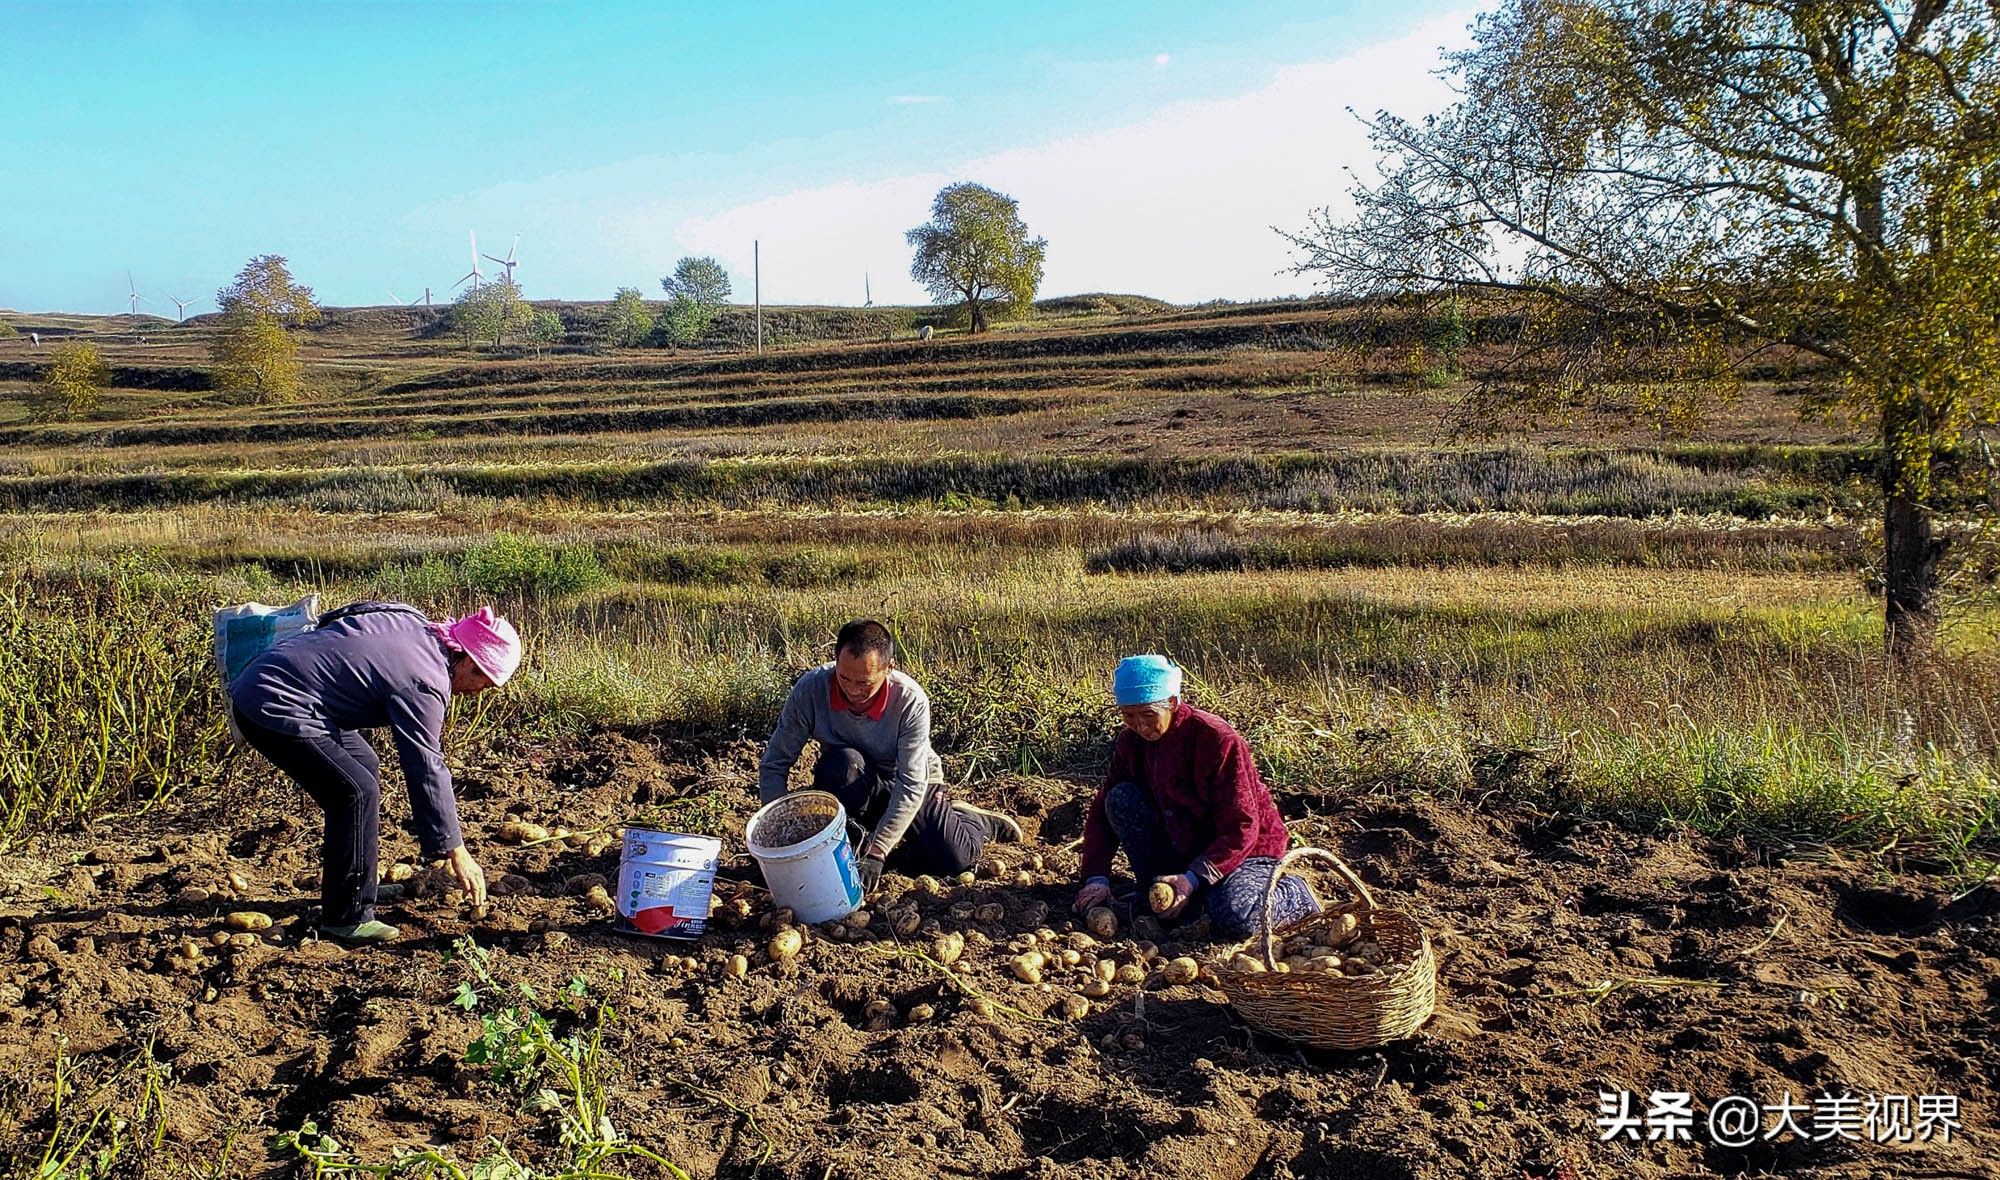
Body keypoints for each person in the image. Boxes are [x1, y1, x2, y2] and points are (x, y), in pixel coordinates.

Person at [229, 601, 521, 944]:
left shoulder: (415, 621)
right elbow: (426, 765)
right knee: (355, 791)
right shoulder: (425, 681)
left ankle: (357, 887)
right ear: (469, 659)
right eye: (481, 683)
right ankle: (346, 918)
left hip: (274, 681)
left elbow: (349, 614)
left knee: (363, 766)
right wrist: (457, 851)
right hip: (273, 703)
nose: (476, 693)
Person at [759, 619, 1017, 896]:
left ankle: (973, 821)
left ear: (889, 668)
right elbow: (775, 763)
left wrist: (879, 849)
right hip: (856, 781)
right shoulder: (811, 690)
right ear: (836, 661)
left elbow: (911, 783)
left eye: (864, 683)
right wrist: (780, 830)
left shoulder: (910, 701)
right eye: (844, 678)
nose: (852, 690)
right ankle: (864, 834)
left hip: (908, 781)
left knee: (954, 861)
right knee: (841, 764)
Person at [1073, 654, 1319, 940]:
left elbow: (1242, 827)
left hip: (1244, 852)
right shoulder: (1131, 742)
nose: (1139, 725)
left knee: (1235, 916)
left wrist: (1192, 878)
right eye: (1129, 716)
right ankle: (1166, 890)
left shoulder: (1216, 739)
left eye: (1148, 715)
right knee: (1119, 799)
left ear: (1173, 704)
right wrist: (1097, 877)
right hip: (1182, 842)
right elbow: (1104, 811)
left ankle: (1294, 895)